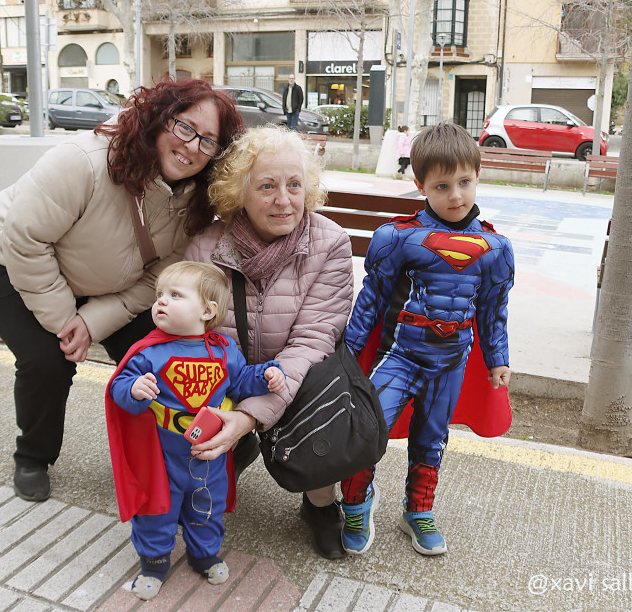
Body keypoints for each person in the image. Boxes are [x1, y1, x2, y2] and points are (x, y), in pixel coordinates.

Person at [0, 79, 244, 502]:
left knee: (163, 352)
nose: (192, 147)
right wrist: (67, 321)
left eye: (208, 141)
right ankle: (33, 456)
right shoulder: (82, 161)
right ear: (159, 119)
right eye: (185, 127)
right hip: (12, 261)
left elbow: (160, 277)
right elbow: (26, 239)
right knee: (48, 360)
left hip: (108, 285)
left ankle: (175, 453)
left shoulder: (194, 198)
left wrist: (93, 320)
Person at [338, 121, 515, 557]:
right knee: (365, 429)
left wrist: (498, 358)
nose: (455, 196)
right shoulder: (396, 237)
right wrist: (348, 352)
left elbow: (493, 310)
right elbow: (371, 300)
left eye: (464, 182)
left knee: (432, 439)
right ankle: (356, 504)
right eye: (441, 186)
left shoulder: (495, 247)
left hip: (450, 363)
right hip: (399, 356)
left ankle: (418, 510)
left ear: (478, 176)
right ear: (420, 185)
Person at [184, 126, 354, 560]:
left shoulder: (330, 243)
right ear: (239, 193)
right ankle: (211, 470)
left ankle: (319, 502)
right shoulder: (206, 247)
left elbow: (312, 342)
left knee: (323, 386)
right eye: (267, 186)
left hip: (296, 375)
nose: (284, 200)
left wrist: (248, 416)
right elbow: (196, 334)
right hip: (229, 375)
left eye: (294, 185)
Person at [106, 261, 285, 601]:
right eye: (159, 294)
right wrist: (133, 389)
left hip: (208, 454)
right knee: (155, 510)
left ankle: (204, 555)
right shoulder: (149, 352)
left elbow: (240, 381)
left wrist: (266, 375)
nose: (162, 300)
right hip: (161, 456)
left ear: (207, 311)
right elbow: (120, 385)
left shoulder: (224, 350)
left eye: (175, 295)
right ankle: (153, 563)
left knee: (207, 506)